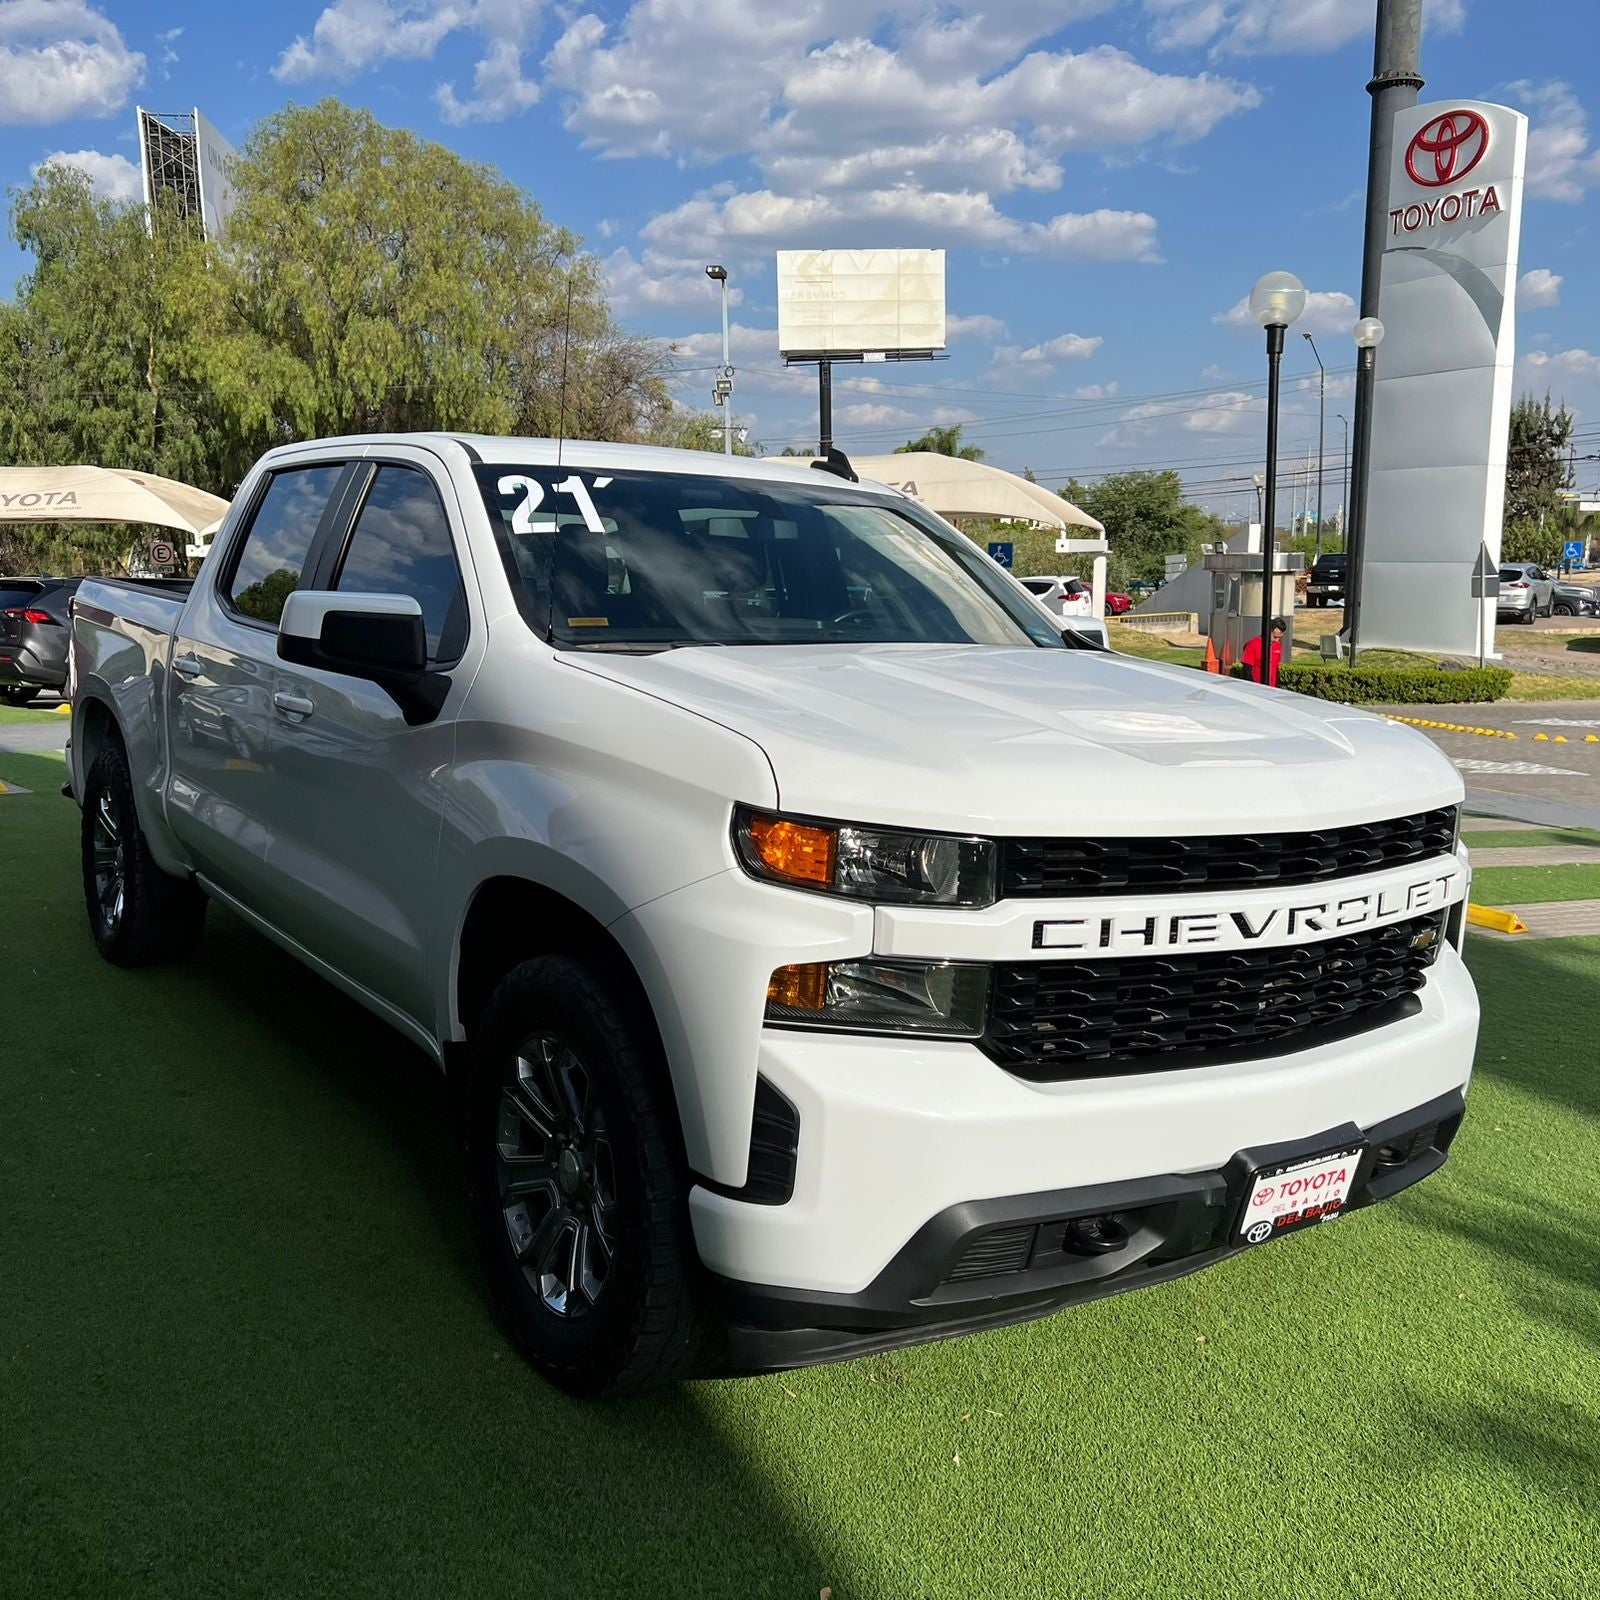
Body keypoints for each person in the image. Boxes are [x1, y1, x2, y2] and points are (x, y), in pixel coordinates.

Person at [1241, 616, 1286, 686]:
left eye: (1279, 637)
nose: (1277, 640)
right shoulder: (1252, 644)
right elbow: (1247, 671)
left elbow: (1276, 669)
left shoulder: (1278, 645)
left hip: (1272, 689)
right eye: (1275, 637)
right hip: (1256, 688)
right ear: (1268, 631)